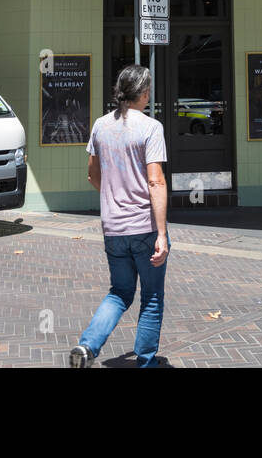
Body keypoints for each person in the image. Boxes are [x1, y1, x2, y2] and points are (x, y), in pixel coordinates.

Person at [70, 65, 169, 368]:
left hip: (113, 227)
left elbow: (91, 174)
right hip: (144, 226)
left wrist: (112, 196)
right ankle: (146, 362)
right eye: (148, 90)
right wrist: (162, 234)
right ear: (142, 93)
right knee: (151, 296)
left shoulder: (101, 125)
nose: (149, 95)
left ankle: (87, 346)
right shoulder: (151, 127)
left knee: (120, 292)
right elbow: (155, 180)